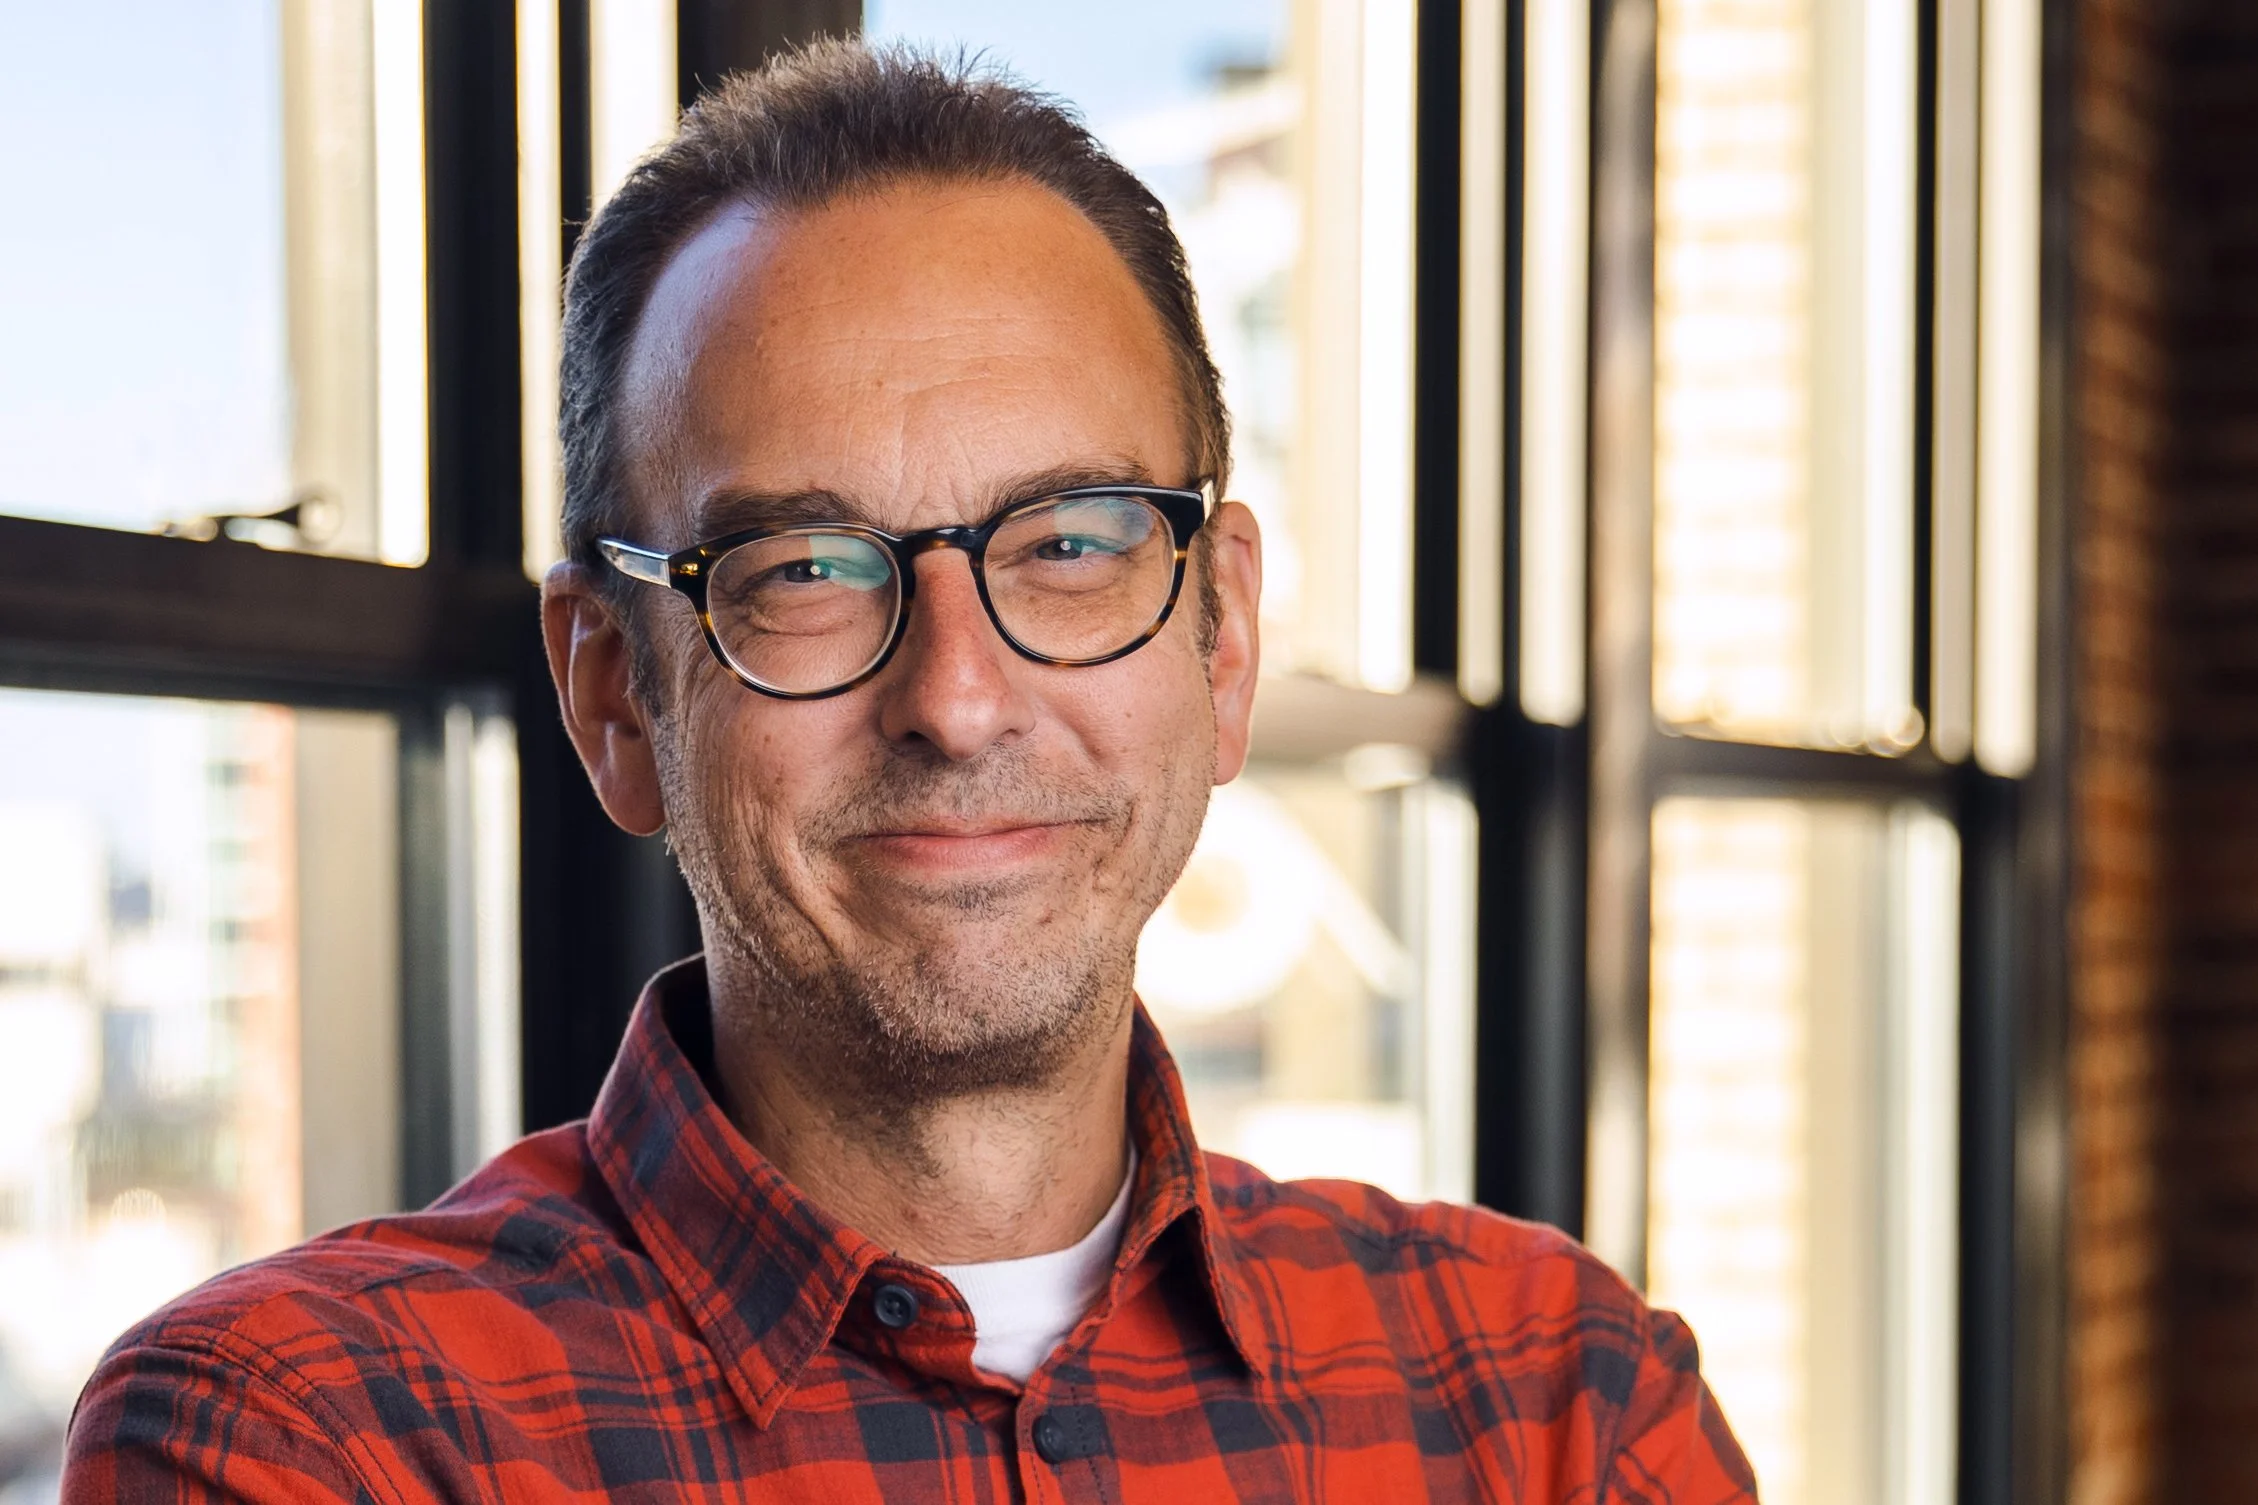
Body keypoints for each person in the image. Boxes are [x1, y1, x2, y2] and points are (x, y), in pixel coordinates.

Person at [62, 40, 1753, 1503]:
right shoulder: (309, 1441)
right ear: (615, 699)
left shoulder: (1550, 1402)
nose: (957, 699)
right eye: (803, 570)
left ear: (1221, 643)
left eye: (1073, 545)